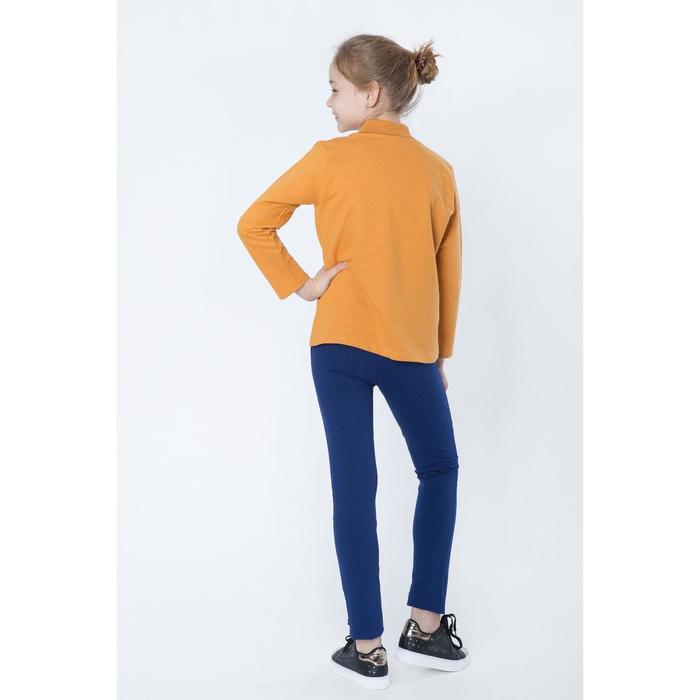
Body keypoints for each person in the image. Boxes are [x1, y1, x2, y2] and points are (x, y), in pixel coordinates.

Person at [237, 33, 469, 689]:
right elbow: (448, 273)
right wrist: (440, 353)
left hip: (337, 344)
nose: (328, 101)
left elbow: (255, 222)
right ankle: (425, 625)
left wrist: (303, 284)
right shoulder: (437, 172)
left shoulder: (328, 159)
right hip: (410, 350)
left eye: (336, 89)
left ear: (370, 94)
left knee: (354, 485)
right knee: (439, 469)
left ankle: (366, 646)